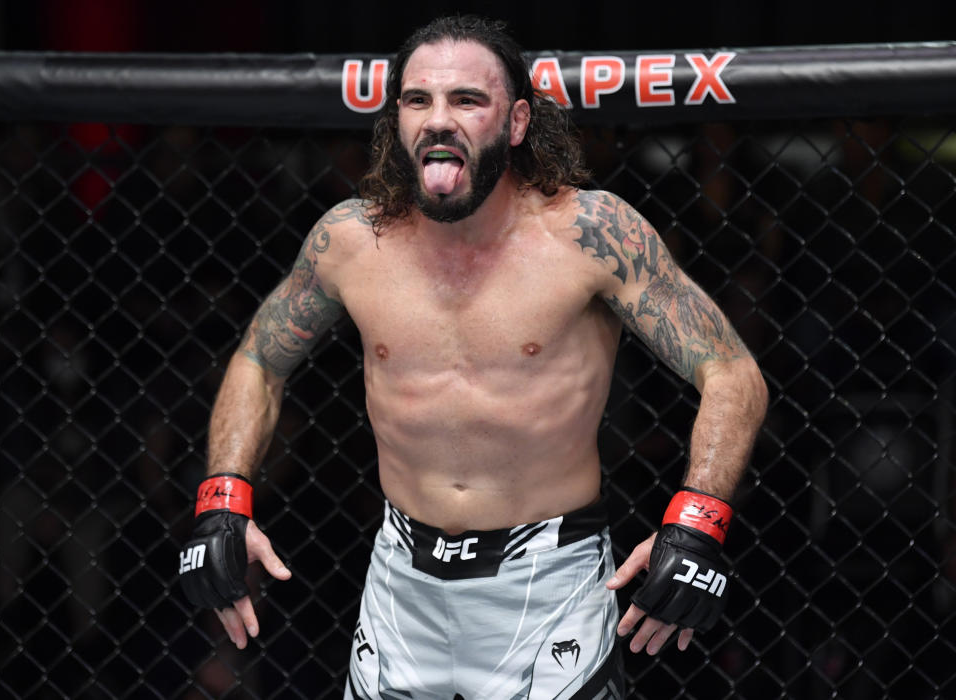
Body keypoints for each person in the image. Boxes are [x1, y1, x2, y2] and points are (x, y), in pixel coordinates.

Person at [178, 15, 768, 698]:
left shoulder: (591, 235)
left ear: (516, 122)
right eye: (418, 100)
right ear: (395, 119)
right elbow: (259, 360)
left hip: (549, 581)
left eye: (466, 100)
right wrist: (222, 500)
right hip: (401, 578)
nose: (438, 119)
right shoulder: (349, 241)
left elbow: (732, 372)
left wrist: (698, 523)